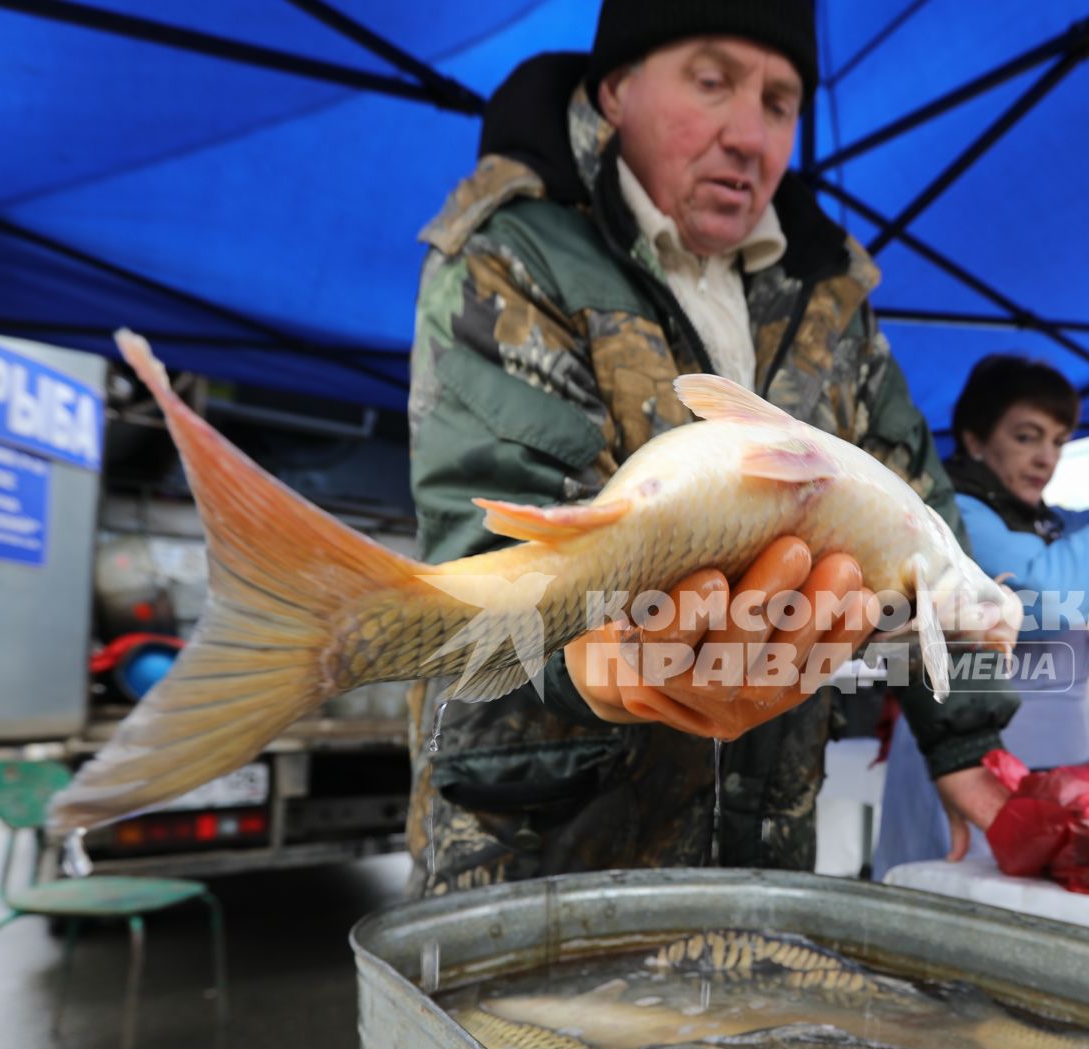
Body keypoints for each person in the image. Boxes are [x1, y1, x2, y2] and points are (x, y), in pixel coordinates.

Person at [402, 3, 1018, 895]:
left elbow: (922, 521)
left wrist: (968, 742)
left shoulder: (833, 296)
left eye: (779, 100)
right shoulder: (511, 253)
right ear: (615, 91)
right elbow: (487, 537)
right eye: (712, 80)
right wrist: (603, 662)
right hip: (543, 853)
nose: (748, 135)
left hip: (764, 847)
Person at [872, 355, 1089, 880]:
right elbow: (1044, 598)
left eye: (1058, 441)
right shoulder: (955, 517)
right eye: (1026, 437)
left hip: (1055, 772)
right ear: (974, 440)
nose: (1045, 458)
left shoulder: (1054, 524)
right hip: (969, 769)